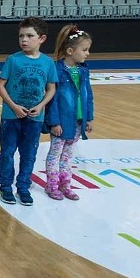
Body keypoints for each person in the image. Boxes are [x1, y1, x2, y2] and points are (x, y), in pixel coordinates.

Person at [0, 17, 58, 206]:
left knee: (29, 153)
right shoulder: (13, 60)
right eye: (21, 36)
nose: (24, 39)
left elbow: (51, 88)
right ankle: (5, 187)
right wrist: (14, 106)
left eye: (30, 36)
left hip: (35, 117)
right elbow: (0, 85)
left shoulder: (48, 63)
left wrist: (41, 106)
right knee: (7, 152)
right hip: (11, 116)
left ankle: (23, 186)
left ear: (42, 38)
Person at [43, 25, 94, 201]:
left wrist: (89, 117)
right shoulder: (57, 70)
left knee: (68, 156)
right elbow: (53, 99)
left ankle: (66, 185)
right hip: (61, 123)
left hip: (78, 122)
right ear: (71, 50)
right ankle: (51, 185)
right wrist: (54, 122)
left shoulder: (83, 70)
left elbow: (88, 95)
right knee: (55, 154)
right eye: (85, 50)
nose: (87, 53)